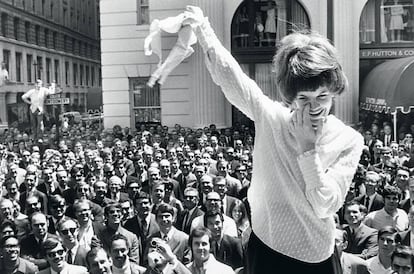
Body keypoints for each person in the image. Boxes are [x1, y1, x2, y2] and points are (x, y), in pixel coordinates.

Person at [180, 5, 364, 273]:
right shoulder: (272, 118)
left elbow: (326, 205)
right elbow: (232, 78)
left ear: (334, 92)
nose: (314, 108)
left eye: (322, 97)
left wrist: (308, 149)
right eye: (304, 99)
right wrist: (202, 28)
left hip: (316, 256)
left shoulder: (349, 140)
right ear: (290, 97)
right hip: (266, 247)